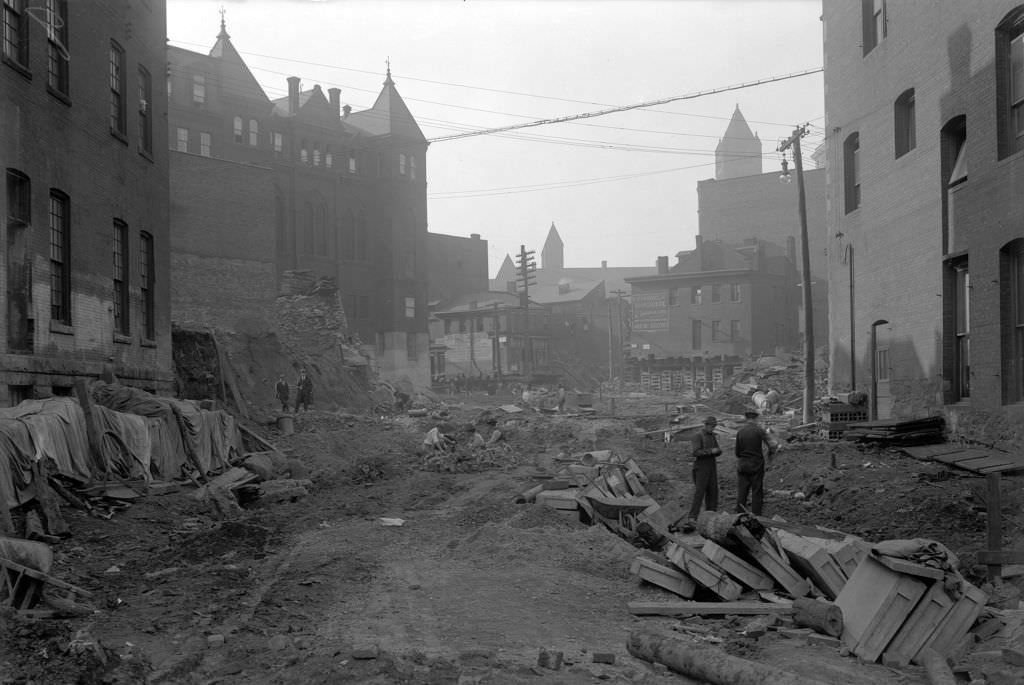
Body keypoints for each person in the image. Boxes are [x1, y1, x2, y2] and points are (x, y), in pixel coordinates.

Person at [681, 416, 721, 533]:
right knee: (700, 492)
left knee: (713, 491)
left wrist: (718, 451)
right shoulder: (697, 436)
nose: (712, 429)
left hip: (712, 467)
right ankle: (692, 517)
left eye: (714, 426)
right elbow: (695, 452)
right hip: (701, 467)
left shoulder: (712, 436)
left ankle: (711, 514)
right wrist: (710, 451)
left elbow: (718, 449)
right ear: (706, 425)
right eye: (711, 426)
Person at [735, 410, 779, 516]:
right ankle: (756, 515)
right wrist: (770, 455)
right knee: (756, 491)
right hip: (756, 464)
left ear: (746, 418)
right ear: (755, 419)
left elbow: (737, 452)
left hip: (743, 465)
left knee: (742, 491)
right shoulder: (759, 430)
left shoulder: (740, 432)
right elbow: (773, 445)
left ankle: (739, 515)